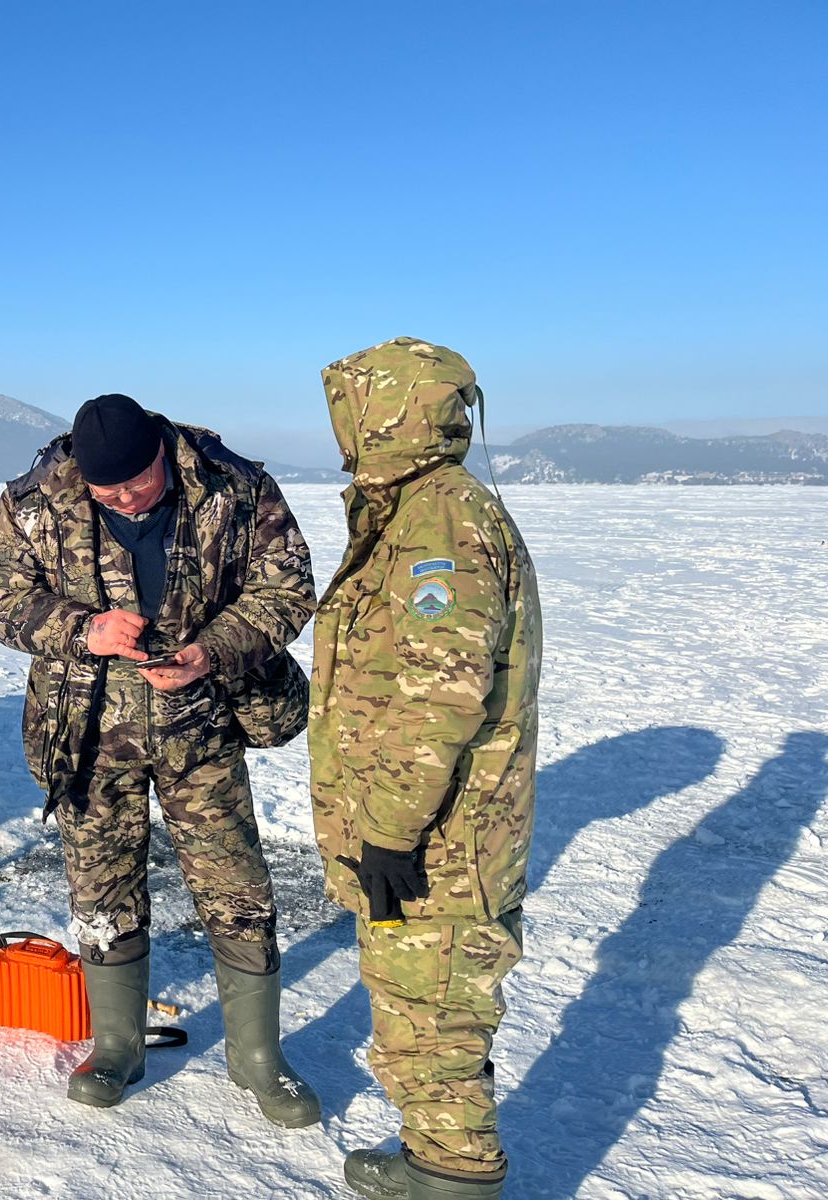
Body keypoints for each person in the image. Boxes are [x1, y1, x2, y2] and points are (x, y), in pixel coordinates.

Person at [0, 393, 321, 1127]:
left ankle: (257, 1057)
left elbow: (286, 588)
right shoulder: (34, 499)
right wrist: (83, 629)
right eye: (109, 493)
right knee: (101, 887)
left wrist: (209, 652)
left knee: (237, 884)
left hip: (202, 722)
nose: (127, 501)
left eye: (138, 484)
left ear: (161, 451)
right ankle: (117, 1047)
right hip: (89, 730)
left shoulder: (233, 484)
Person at [307, 339, 542, 1199]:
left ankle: (450, 1178)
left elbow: (440, 695)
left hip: (439, 841)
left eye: (349, 405)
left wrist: (388, 831)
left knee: (434, 1023)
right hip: (433, 829)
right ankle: (436, 1163)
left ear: (384, 410)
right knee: (421, 1016)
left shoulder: (439, 519)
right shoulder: (416, 509)